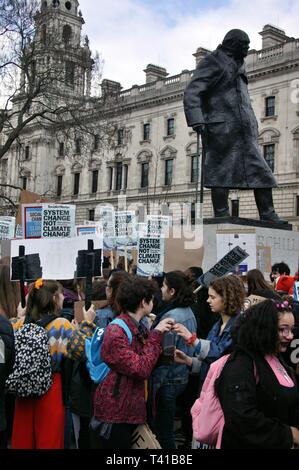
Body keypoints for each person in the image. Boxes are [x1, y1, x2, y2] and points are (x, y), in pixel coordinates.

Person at [184, 29, 286, 224]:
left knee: (261, 171)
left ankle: (267, 213)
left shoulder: (239, 63)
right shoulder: (213, 61)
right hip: (220, 128)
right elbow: (192, 92)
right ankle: (221, 214)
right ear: (233, 44)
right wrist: (197, 119)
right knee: (220, 172)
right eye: (245, 45)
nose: (248, 49)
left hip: (243, 130)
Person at [10, 279, 95, 449]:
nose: (64, 297)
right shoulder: (61, 325)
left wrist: (19, 315)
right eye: (61, 294)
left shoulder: (18, 324)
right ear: (55, 298)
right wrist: (87, 324)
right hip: (51, 388)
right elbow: (81, 351)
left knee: (23, 439)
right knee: (49, 439)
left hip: (23, 388)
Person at [91, 276, 174, 449]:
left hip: (131, 410)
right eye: (151, 298)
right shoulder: (116, 331)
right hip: (116, 414)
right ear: (144, 302)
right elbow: (140, 368)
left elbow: (143, 359)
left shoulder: (137, 326)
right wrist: (156, 334)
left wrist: (164, 357)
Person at [215, 299, 299, 448]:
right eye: (282, 329)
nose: (290, 336)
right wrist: (289, 434)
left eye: (292, 329)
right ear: (263, 329)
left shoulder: (275, 357)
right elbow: (241, 418)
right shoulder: (240, 364)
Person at [149, 271, 197, 449]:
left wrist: (155, 385)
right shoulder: (188, 311)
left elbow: (166, 355)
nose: (161, 289)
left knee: (164, 432)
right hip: (180, 377)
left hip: (168, 380)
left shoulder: (173, 317)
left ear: (172, 291)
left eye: (164, 286)